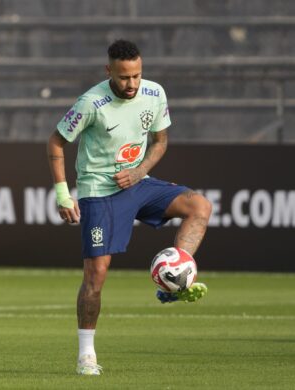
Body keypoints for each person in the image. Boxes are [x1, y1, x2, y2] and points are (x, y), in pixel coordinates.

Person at [46, 39, 211, 376]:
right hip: (99, 191)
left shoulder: (154, 93)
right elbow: (56, 141)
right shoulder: (91, 103)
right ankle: (86, 355)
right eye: (124, 78)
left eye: (136, 75)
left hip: (137, 182)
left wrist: (140, 171)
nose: (132, 84)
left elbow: (161, 141)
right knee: (97, 275)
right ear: (109, 71)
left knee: (200, 206)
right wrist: (63, 194)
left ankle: (175, 279)